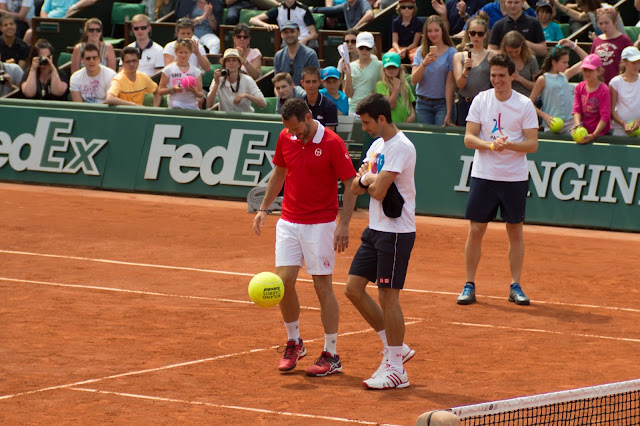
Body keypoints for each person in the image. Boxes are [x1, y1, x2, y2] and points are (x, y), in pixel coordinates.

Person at [252, 97, 356, 377]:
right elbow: (279, 172)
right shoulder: (286, 136)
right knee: (282, 284)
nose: (294, 134)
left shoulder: (333, 143)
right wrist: (264, 208)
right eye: (290, 130)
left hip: (320, 224)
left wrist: (343, 224)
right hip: (288, 221)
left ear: (309, 117)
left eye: (298, 129)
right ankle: (294, 341)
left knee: (323, 287)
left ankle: (332, 354)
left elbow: (351, 184)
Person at [345, 93, 416, 390]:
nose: (364, 128)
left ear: (382, 119)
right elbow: (356, 187)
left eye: (367, 123)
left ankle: (396, 369)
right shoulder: (376, 146)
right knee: (353, 289)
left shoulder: (401, 147)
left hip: (396, 232)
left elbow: (376, 190)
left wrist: (368, 179)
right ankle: (395, 346)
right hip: (375, 229)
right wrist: (367, 179)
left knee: (388, 297)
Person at [456, 53, 538, 307]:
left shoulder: (524, 105)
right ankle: (469, 284)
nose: (497, 80)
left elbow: (532, 144)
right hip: (484, 175)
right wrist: (491, 146)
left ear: (512, 76)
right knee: (476, 230)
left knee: (515, 231)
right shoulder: (481, 100)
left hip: (514, 178)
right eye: (493, 75)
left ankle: (515, 286)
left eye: (502, 75)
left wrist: (509, 145)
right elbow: (469, 139)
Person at [529, 40, 587, 133]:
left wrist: (573, 46)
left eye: (567, 62)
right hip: (552, 125)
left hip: (571, 124)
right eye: (564, 62)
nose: (567, 65)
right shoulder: (542, 79)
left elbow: (587, 59)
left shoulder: (565, 75)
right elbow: (529, 103)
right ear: (554, 62)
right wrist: (545, 116)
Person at [411, 15, 456, 126]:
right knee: (426, 139)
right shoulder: (420, 51)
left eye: (436, 30)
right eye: (430, 31)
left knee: (441, 138)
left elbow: (450, 84)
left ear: (442, 31)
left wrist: (449, 112)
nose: (433, 34)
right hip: (422, 103)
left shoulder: (451, 52)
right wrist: (424, 64)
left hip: (442, 104)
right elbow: (413, 80)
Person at [453, 15, 494, 125]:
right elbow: (460, 85)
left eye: (480, 33)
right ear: (468, 33)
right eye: (473, 33)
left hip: (484, 104)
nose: (476, 36)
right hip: (464, 103)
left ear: (485, 35)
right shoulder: (458, 56)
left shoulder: (492, 56)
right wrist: (466, 70)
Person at [571, 53, 610, 143]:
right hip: (584, 132)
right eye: (585, 70)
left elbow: (605, 117)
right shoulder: (579, 87)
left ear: (599, 71)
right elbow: (576, 110)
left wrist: (594, 135)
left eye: (590, 70)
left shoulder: (604, 90)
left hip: (601, 135)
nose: (587, 73)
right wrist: (578, 125)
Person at [249, 0, 319, 48]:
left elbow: (314, 34)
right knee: (285, 49)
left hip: (305, 39)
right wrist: (266, 25)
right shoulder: (278, 9)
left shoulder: (304, 9)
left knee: (310, 48)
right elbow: (253, 20)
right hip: (288, 39)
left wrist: (305, 39)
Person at [589, 8, 632, 85]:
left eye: (606, 23)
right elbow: (592, 60)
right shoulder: (597, 40)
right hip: (600, 84)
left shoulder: (624, 40)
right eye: (601, 24)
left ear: (615, 22)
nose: (603, 26)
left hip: (618, 83)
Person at [343, 31, 382, 115]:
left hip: (372, 110)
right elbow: (348, 94)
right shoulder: (351, 66)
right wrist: (348, 75)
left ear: (372, 49)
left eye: (368, 48)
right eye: (361, 48)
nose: (364, 51)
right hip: (354, 109)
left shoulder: (380, 65)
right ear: (356, 48)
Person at [159, 38, 203, 109]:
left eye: (186, 52)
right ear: (176, 53)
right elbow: (160, 91)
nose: (183, 55)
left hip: (191, 104)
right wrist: (172, 89)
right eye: (180, 52)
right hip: (175, 103)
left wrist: (195, 91)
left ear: (190, 53)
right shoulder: (168, 69)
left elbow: (200, 94)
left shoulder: (196, 71)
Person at [273, 21, 320, 87]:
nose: (289, 35)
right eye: (285, 32)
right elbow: (277, 83)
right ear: (281, 35)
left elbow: (313, 83)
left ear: (299, 33)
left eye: (292, 31)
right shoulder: (278, 56)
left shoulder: (310, 55)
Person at [376, 52, 415, 123]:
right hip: (390, 125)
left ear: (399, 68)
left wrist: (412, 116)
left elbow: (410, 105)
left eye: (394, 67)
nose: (391, 70)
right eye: (388, 68)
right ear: (384, 69)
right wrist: (396, 88)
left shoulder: (405, 84)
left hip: (406, 124)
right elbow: (390, 106)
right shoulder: (380, 85)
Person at [550, 0, 625, 38]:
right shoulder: (592, 13)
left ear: (587, 3)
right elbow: (578, 16)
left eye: (580, 5)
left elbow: (615, 34)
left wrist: (597, 40)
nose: (579, 8)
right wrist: (558, 5)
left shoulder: (607, 10)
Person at [609, 46, 640, 136]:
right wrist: (623, 124)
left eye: (638, 63)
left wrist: (639, 121)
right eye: (633, 63)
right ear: (624, 62)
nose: (637, 66)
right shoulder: (615, 82)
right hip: (619, 131)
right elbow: (612, 110)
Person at [460, 0, 536, 36]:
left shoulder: (518, 11)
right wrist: (464, 31)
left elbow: (536, 24)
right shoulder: (489, 7)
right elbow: (473, 20)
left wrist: (528, 8)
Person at [500, 30, 538, 96]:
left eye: (517, 51)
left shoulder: (531, 60)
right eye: (510, 52)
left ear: (522, 46)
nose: (514, 54)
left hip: (527, 99)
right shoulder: (501, 61)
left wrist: (519, 78)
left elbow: (537, 87)